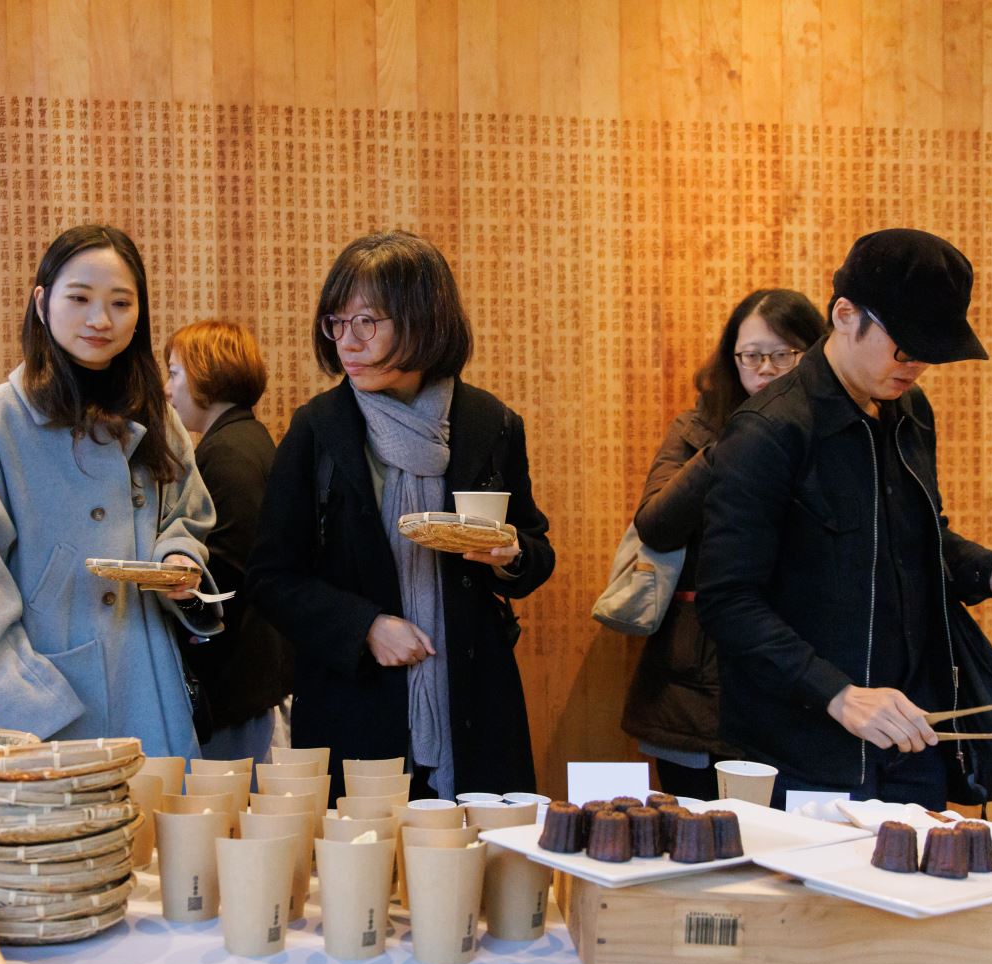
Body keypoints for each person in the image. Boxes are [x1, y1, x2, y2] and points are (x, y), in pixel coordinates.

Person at [697, 229, 992, 808]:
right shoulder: (768, 430)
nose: (916, 367)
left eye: (929, 353)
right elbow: (728, 600)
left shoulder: (909, 410)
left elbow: (915, 538)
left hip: (912, 737)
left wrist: (991, 570)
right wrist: (838, 693)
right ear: (846, 316)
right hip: (803, 748)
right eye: (905, 348)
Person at [247, 230, 555, 800]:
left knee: (475, 850)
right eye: (337, 322)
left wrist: (510, 557)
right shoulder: (319, 429)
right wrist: (364, 626)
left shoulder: (491, 424)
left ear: (424, 320)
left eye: (367, 321)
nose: (347, 341)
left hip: (473, 704)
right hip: (354, 704)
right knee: (363, 854)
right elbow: (271, 577)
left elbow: (534, 549)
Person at [0, 224, 220, 754]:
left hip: (149, 680)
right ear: (42, 303)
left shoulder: (156, 417)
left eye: (121, 303)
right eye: (80, 298)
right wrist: (29, 712)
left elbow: (187, 514)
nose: (100, 320)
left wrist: (177, 557)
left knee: (162, 806)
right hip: (50, 704)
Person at [621, 289, 826, 800]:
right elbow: (656, 525)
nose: (765, 369)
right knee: (694, 833)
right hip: (697, 683)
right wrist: (738, 440)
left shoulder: (836, 437)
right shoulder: (697, 430)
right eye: (751, 355)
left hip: (804, 673)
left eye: (783, 354)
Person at [163, 319, 293, 762]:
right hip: (254, 672)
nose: (167, 389)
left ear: (207, 373)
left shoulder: (227, 453)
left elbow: (229, 572)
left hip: (241, 679)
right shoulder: (243, 439)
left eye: (174, 373)